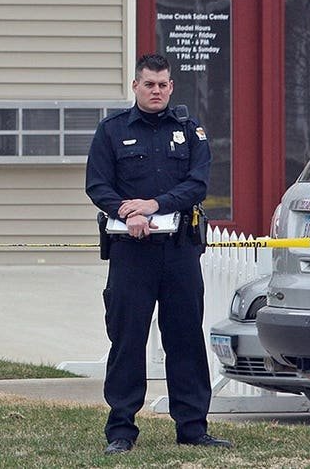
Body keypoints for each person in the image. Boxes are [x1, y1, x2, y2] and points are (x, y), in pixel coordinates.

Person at [85, 53, 233, 455]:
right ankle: (120, 431)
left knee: (185, 338)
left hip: (179, 249)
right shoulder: (112, 131)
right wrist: (124, 211)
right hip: (130, 253)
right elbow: (97, 185)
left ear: (171, 86)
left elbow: (198, 184)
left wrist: (154, 204)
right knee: (127, 340)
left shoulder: (189, 130)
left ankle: (192, 428)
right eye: (149, 84)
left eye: (163, 84)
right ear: (135, 86)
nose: (157, 91)